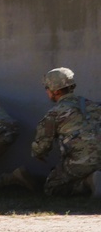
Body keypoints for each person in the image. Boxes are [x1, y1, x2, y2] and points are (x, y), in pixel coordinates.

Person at [30, 67, 101, 197]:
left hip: (81, 161)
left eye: (47, 88)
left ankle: (87, 183)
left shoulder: (54, 113)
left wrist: (38, 153)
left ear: (55, 91)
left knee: (52, 188)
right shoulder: (95, 106)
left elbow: (41, 147)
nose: (46, 91)